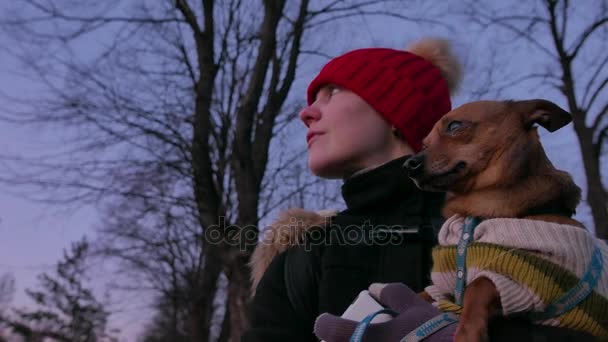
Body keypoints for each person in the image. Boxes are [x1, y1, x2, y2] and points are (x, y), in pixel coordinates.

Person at [241, 38, 593, 342]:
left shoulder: (535, 234)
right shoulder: (302, 255)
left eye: (331, 92)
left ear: (397, 112)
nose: (306, 113)